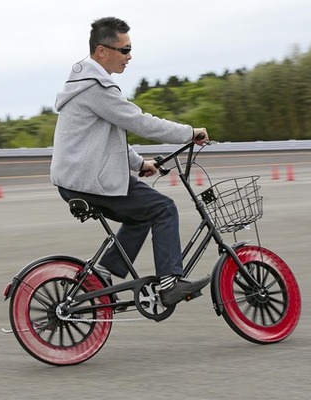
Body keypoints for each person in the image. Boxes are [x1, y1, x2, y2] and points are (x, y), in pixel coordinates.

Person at [50, 17, 211, 307]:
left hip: (79, 178)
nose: (129, 56)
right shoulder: (96, 88)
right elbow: (140, 123)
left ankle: (103, 271)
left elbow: (107, 137)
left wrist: (138, 164)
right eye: (124, 50)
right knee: (163, 208)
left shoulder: (88, 84)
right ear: (102, 51)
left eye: (129, 49)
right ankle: (170, 283)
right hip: (87, 181)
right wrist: (190, 132)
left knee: (142, 213)